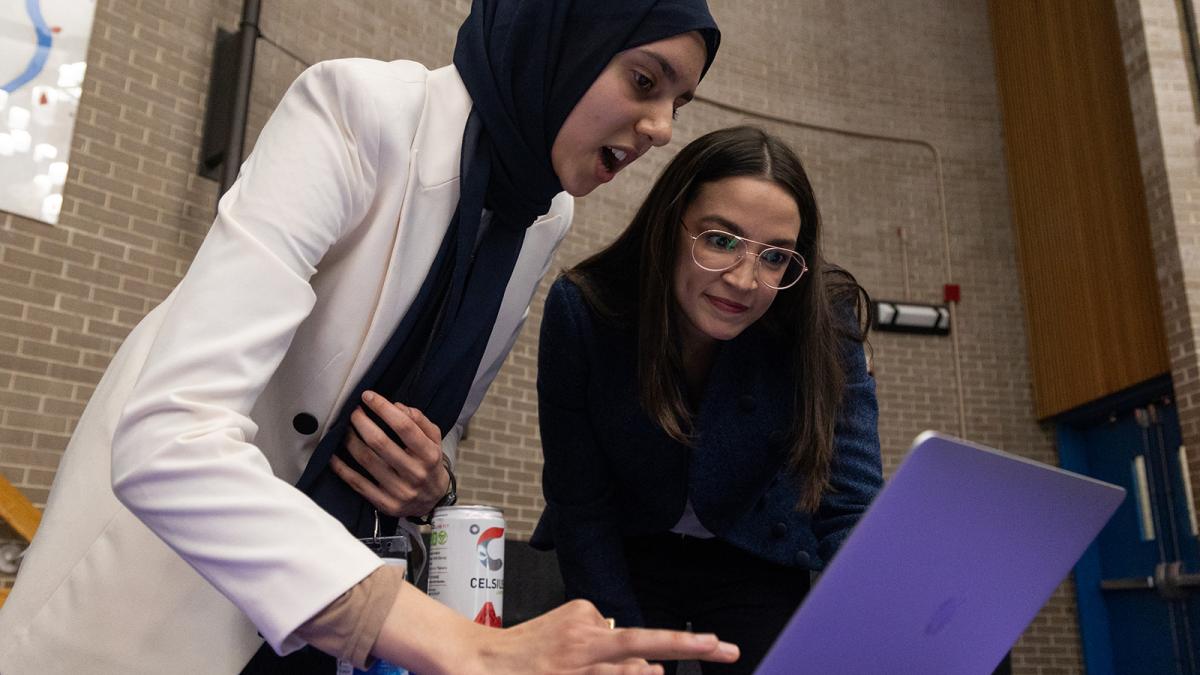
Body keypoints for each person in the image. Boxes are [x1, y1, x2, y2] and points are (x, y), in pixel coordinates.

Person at [0, 2, 742, 674]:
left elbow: (434, 427)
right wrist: (460, 641)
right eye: (645, 80)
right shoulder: (358, 110)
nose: (662, 128)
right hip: (154, 603)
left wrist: (430, 486)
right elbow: (167, 437)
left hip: (323, 639)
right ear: (557, 39)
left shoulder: (543, 217)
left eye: (678, 102)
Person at [532, 126, 884, 674]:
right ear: (669, 226)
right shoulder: (586, 311)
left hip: (758, 543)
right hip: (628, 542)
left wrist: (867, 631)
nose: (745, 281)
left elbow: (850, 502)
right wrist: (617, 643)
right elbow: (580, 505)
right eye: (720, 240)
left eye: (775, 258)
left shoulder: (822, 317)